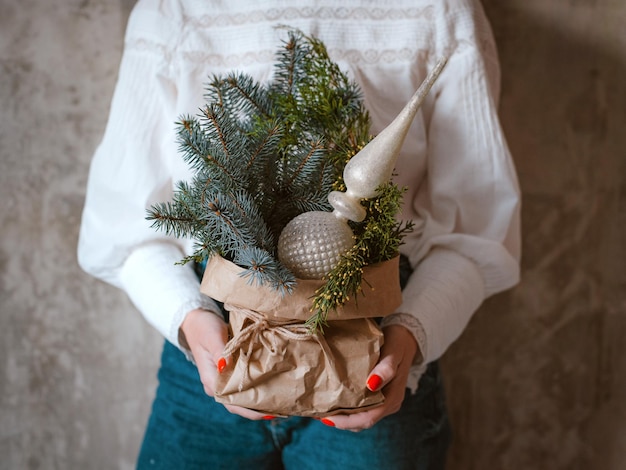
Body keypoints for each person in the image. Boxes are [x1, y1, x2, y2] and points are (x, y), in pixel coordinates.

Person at [78, 0, 521, 468]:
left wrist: (409, 337)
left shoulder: (437, 10)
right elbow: (124, 226)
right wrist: (194, 325)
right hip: (215, 340)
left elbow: (477, 230)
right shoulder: (174, 11)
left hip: (377, 338)